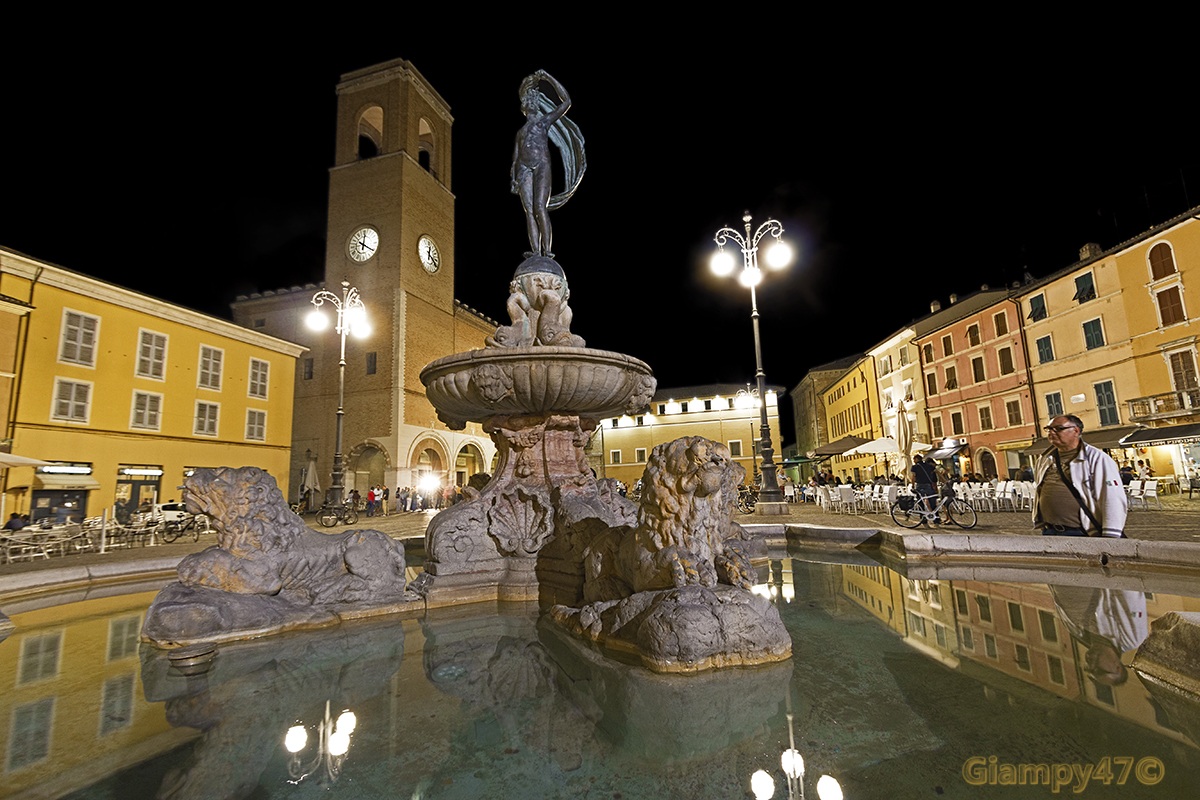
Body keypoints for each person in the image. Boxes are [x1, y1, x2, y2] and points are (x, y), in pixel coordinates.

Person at [511, 70, 583, 258]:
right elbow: (516, 156)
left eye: (532, 100)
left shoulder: (543, 122)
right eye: (526, 100)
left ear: (537, 104)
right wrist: (513, 176)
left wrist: (548, 77)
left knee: (539, 207)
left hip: (542, 165)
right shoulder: (520, 132)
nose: (529, 102)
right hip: (524, 170)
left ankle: (547, 252)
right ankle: (535, 252)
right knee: (528, 210)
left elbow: (566, 102)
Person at [1032, 414, 1127, 537]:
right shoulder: (1044, 459)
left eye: (1058, 429)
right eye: (1049, 429)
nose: (1052, 432)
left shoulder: (1097, 458)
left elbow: (1112, 497)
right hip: (1049, 530)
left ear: (1076, 431)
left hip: (1082, 531)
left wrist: (1111, 535)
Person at [1049, 584, 1148, 687]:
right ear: (1117, 668)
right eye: (1098, 670)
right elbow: (1129, 591)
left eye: (1089, 668)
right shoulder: (1133, 639)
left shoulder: (1077, 634)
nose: (1090, 664)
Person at [910, 455, 939, 524]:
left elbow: (913, 476)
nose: (914, 461)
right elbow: (937, 472)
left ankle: (923, 518)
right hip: (928, 485)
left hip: (920, 485)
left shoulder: (915, 467)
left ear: (916, 459)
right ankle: (936, 518)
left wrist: (913, 485)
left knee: (921, 502)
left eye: (914, 459)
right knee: (932, 501)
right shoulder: (928, 466)